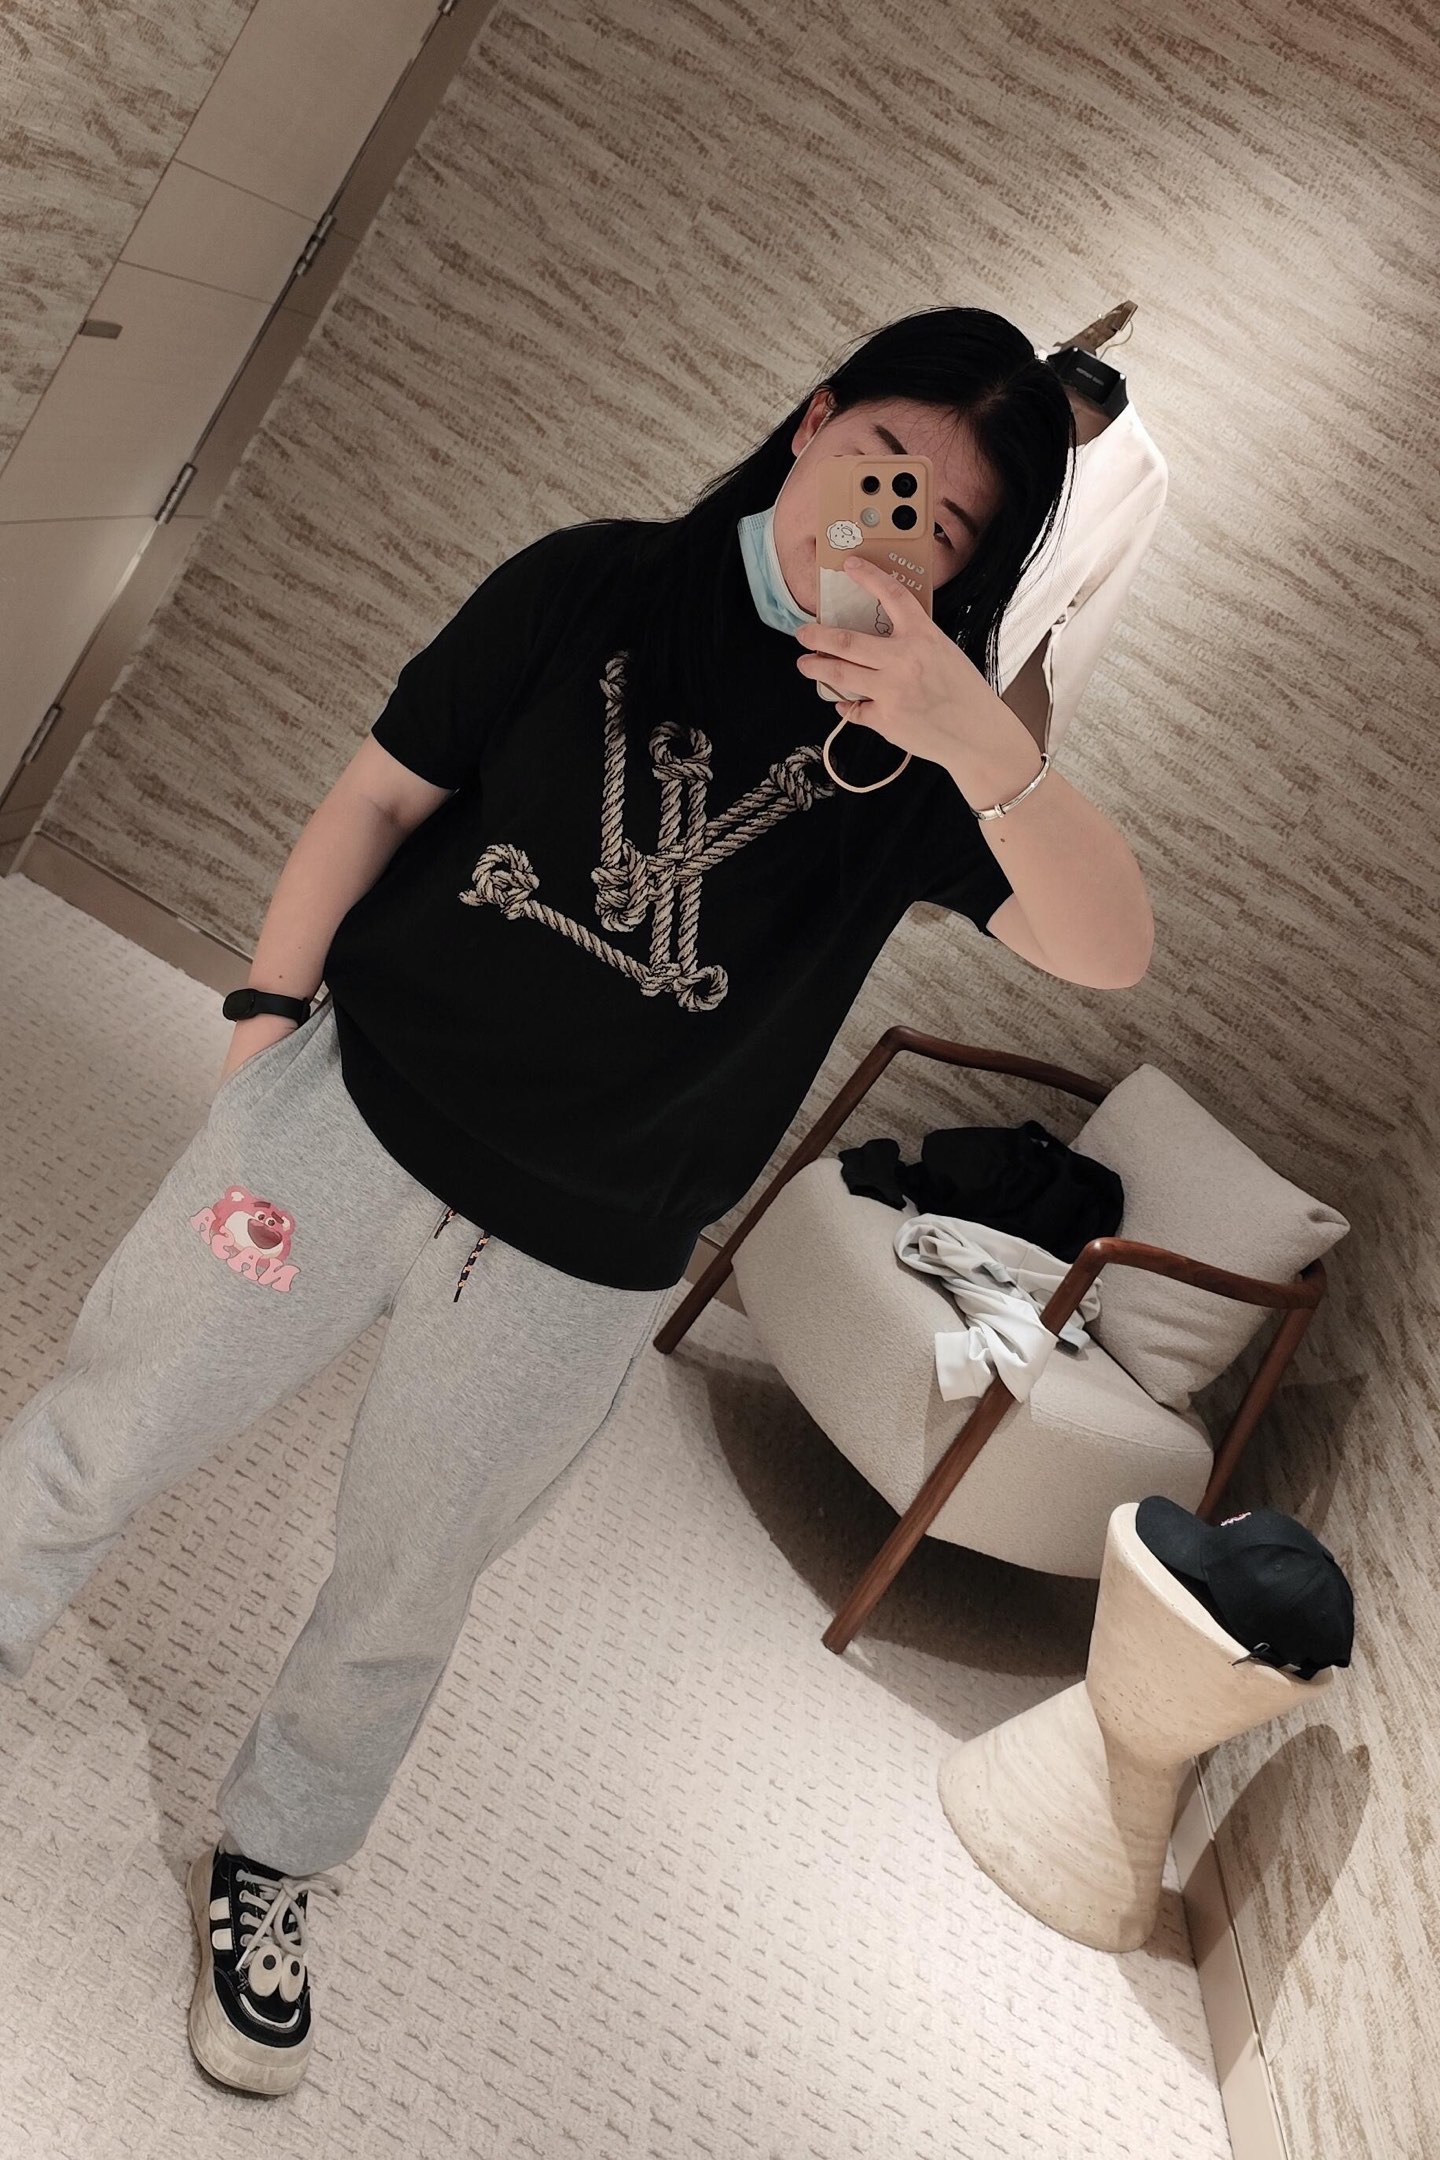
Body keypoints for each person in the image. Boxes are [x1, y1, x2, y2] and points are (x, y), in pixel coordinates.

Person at [0, 305, 1154, 2099]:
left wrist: (977, 737)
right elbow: (379, 799)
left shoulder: (931, 760)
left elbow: (1109, 949)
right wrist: (260, 1029)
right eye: (885, 462)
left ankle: (279, 1859)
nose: (893, 522)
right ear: (814, 419)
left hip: (583, 1252)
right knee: (116, 1414)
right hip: (351, 1117)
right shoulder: (598, 583)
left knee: (408, 1584)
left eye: (945, 524)